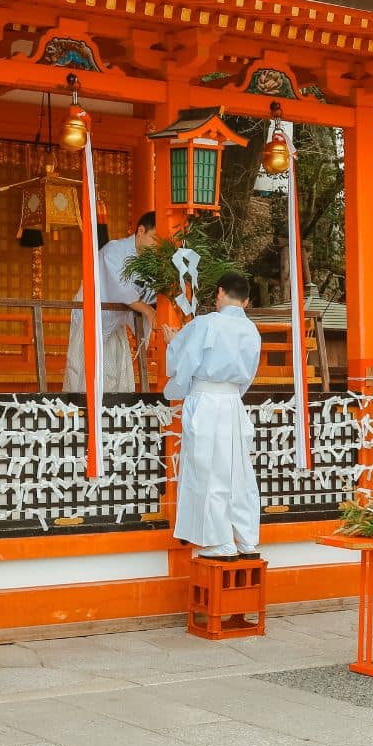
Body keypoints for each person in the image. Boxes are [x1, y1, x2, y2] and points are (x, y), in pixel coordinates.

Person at [162, 272, 263, 561]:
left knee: (208, 470)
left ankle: (220, 542)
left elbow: (184, 363)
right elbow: (248, 376)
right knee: (238, 471)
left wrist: (172, 342)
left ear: (219, 293)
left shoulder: (205, 324)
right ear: (245, 301)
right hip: (233, 402)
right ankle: (246, 540)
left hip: (206, 400)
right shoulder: (251, 332)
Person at [63, 211, 158, 393]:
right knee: (84, 365)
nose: (156, 245)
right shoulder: (115, 249)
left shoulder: (149, 261)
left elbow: (150, 294)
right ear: (140, 231)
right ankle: (82, 408)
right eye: (154, 238)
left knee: (114, 367)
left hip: (115, 321)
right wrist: (146, 310)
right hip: (91, 315)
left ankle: (113, 410)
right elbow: (121, 287)